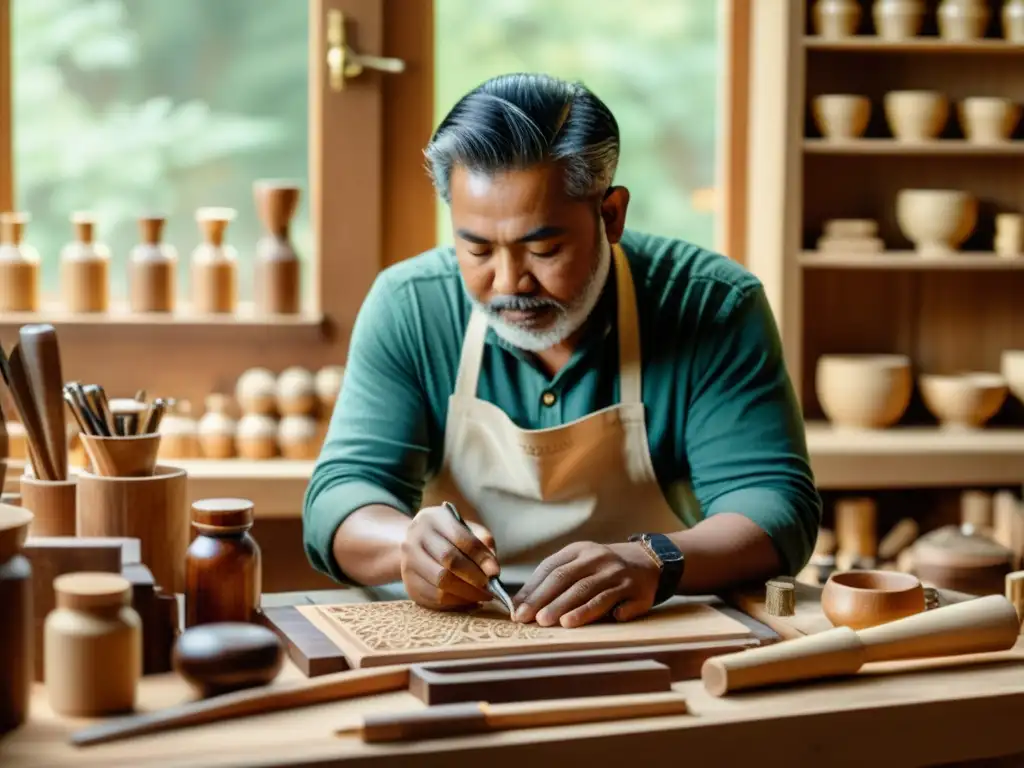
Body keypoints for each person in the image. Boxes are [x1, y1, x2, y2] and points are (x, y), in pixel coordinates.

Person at [302, 72, 821, 629]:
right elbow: (339, 497)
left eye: (543, 249)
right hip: (459, 634)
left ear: (611, 215)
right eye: (476, 249)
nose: (508, 283)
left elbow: (776, 507)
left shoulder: (709, 303)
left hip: (652, 627)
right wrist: (407, 542)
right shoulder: (411, 305)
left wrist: (655, 559)